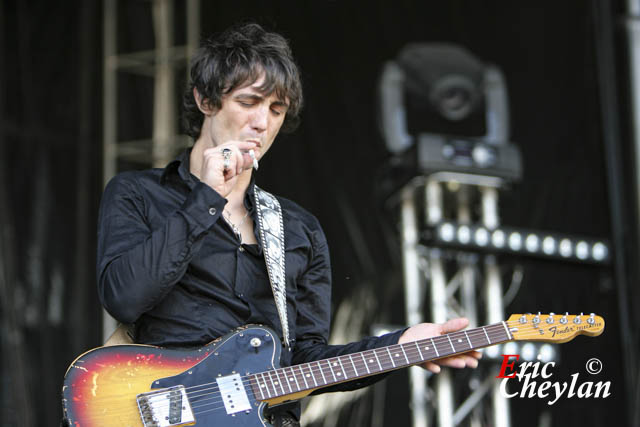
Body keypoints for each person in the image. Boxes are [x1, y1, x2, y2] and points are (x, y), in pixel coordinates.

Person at [97, 23, 480, 426]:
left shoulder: (299, 230)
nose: (262, 123)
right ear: (205, 100)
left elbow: (304, 360)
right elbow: (124, 297)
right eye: (249, 102)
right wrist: (205, 200)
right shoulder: (136, 194)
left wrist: (401, 345)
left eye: (276, 109)